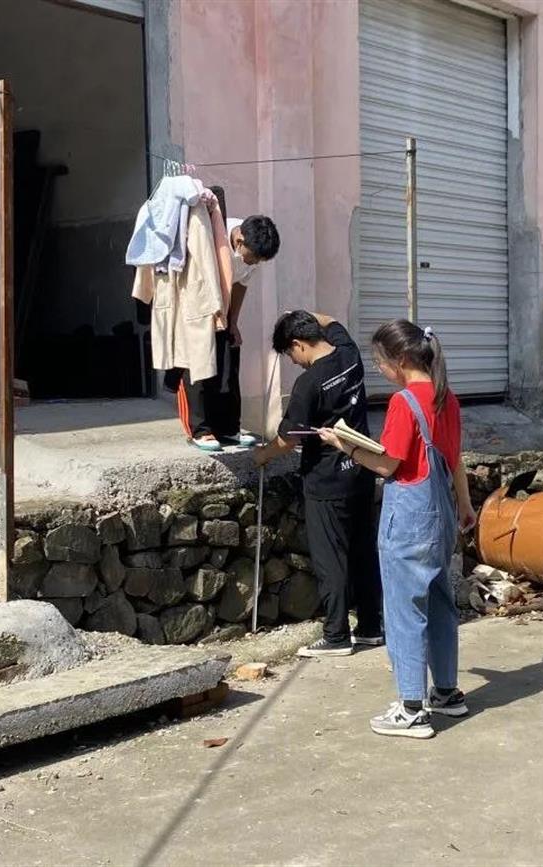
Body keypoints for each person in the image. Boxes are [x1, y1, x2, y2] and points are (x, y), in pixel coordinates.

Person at [318, 320, 477, 738]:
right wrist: (465, 505)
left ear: (402, 360)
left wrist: (345, 445)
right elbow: (455, 460)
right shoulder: (447, 397)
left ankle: (411, 707)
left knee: (405, 611)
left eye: (381, 362)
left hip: (408, 519)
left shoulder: (404, 402)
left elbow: (388, 464)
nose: (379, 369)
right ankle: (446, 692)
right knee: (440, 604)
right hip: (442, 515)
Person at [254, 311, 383, 657]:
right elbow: (330, 319)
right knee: (363, 552)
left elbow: (288, 440)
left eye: (290, 354)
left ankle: (336, 636)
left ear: (298, 344)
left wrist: (263, 455)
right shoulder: (349, 352)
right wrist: (295, 314)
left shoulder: (308, 384)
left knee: (331, 560)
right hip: (360, 471)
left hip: (326, 483)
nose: (293, 361)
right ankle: (371, 627)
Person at [185, 214, 281, 451]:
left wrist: (233, 322)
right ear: (239, 241)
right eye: (253, 257)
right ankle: (201, 430)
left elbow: (240, 284)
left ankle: (228, 428)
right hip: (195, 303)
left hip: (223, 306)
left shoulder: (253, 251)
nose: (254, 262)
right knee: (199, 365)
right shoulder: (211, 235)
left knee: (229, 360)